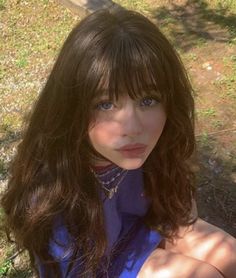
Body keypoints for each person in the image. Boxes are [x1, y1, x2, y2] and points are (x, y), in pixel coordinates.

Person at [1, 8, 236, 278]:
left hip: (146, 227)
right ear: (72, 106)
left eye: (148, 100)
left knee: (230, 255)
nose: (133, 128)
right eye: (105, 104)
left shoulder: (160, 142)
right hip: (94, 264)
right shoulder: (54, 188)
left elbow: (180, 206)